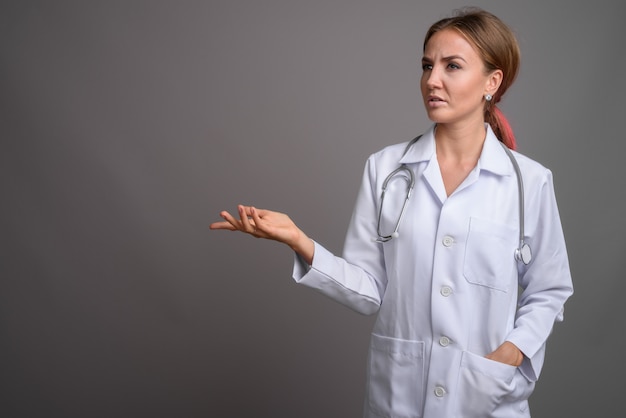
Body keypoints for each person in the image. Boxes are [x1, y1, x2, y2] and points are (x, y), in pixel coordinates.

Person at [210, 8, 573, 418]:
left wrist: (512, 352)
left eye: (452, 66)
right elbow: (368, 291)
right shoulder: (385, 169)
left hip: (486, 398)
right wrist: (301, 241)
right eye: (427, 65)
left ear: (492, 81)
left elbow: (549, 289)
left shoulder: (529, 181)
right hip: (399, 398)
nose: (432, 80)